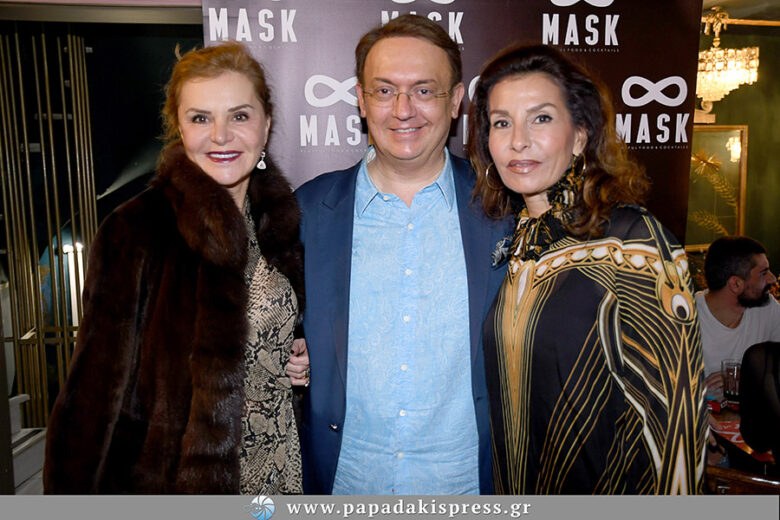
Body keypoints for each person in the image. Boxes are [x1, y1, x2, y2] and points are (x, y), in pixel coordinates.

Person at [44, 42, 309, 494]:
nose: (220, 136)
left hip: (279, 470)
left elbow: (267, 335)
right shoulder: (136, 229)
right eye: (200, 118)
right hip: (184, 485)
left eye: (239, 116)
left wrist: (293, 359)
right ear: (179, 128)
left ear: (266, 125)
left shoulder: (279, 225)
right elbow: (93, 393)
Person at [466, 43, 706, 494]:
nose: (518, 140)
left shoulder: (632, 241)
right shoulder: (510, 245)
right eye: (501, 122)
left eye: (540, 118)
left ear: (580, 134)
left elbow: (676, 426)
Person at [295, 14, 513, 494]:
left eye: (424, 90)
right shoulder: (306, 212)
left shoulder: (506, 210)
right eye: (384, 90)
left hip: (468, 487)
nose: (403, 110)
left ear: (456, 100)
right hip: (345, 487)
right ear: (361, 99)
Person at [695, 236, 780, 394]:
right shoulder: (685, 319)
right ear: (735, 284)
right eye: (763, 273)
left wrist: (746, 377)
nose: (773, 279)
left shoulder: (767, 308)